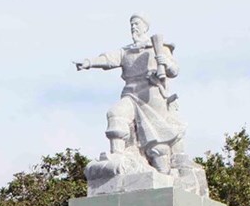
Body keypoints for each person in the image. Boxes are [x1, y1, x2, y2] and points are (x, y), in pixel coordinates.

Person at [74, 14, 186, 175]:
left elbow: (174, 71)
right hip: (131, 93)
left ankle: (164, 176)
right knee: (115, 114)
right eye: (131, 24)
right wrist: (89, 62)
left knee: (157, 144)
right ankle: (117, 156)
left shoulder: (159, 47)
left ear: (145, 26)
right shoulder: (126, 51)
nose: (134, 27)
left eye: (137, 24)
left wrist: (165, 61)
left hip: (152, 95)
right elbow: (108, 59)